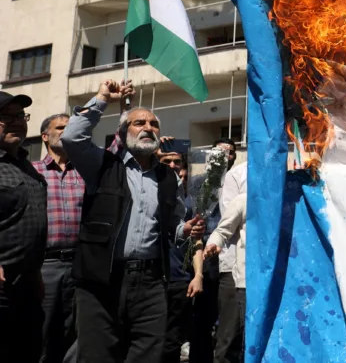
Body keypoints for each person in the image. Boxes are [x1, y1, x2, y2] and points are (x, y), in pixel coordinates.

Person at [62, 79, 206, 363]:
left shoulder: (168, 178)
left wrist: (185, 230)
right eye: (139, 123)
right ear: (123, 132)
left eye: (153, 124)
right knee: (96, 355)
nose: (148, 128)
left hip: (151, 283)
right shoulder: (102, 165)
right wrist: (102, 98)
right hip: (102, 279)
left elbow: (173, 226)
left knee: (148, 354)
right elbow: (71, 138)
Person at [0, 91, 47, 363]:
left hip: (27, 287)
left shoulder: (27, 166)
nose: (17, 122)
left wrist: (36, 273)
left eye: (21, 116)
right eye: (7, 117)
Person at [33, 113, 82, 363]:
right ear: (45, 136)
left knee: (74, 333)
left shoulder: (85, 170)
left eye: (70, 127)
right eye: (60, 127)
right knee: (41, 331)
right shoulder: (32, 172)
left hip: (79, 264)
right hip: (45, 265)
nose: (66, 131)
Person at [187, 138, 235, 363]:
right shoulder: (198, 183)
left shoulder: (239, 183)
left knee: (228, 321)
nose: (225, 156)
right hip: (202, 258)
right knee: (201, 320)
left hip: (231, 261)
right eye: (220, 152)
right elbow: (191, 218)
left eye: (230, 152)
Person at [159, 149, 204, 363]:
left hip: (179, 278)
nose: (173, 165)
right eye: (166, 160)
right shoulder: (148, 194)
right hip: (153, 278)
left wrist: (198, 275)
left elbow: (196, 241)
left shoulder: (189, 204)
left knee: (172, 342)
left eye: (177, 162)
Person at [204, 192, 246, 358]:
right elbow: (222, 231)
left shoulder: (289, 197)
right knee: (241, 340)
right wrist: (213, 244)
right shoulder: (243, 199)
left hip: (280, 283)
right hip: (246, 284)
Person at [214, 156, 247, 363]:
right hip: (235, 269)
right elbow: (228, 222)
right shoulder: (238, 175)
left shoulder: (284, 174)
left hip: (269, 274)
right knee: (230, 334)